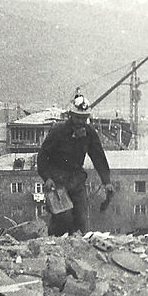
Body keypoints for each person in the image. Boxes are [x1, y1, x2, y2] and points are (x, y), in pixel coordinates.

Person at [37, 92, 114, 236]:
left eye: (84, 118)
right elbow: (43, 156)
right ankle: (55, 243)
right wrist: (47, 177)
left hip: (77, 180)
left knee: (81, 219)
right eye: (78, 117)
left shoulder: (89, 133)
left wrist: (106, 181)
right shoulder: (58, 131)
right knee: (62, 218)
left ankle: (78, 245)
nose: (80, 121)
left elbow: (98, 157)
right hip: (57, 181)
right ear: (71, 115)